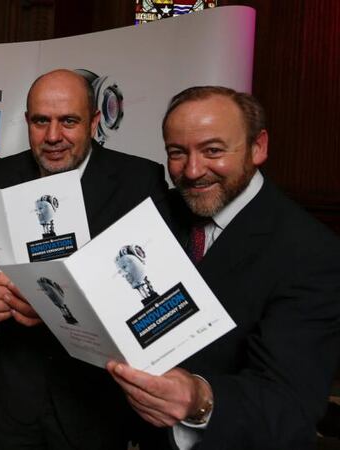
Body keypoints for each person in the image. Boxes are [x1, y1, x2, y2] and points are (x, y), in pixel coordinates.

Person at [106, 86, 340, 449]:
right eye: (177, 153)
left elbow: (291, 406)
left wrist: (199, 401)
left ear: (258, 147)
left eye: (213, 150)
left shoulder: (311, 252)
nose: (194, 170)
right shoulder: (157, 214)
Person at [0, 69, 167, 450]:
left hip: (96, 400)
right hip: (17, 397)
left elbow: (155, 286)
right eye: (41, 121)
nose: (52, 136)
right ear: (27, 121)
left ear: (95, 121)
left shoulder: (139, 181)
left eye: (68, 121)